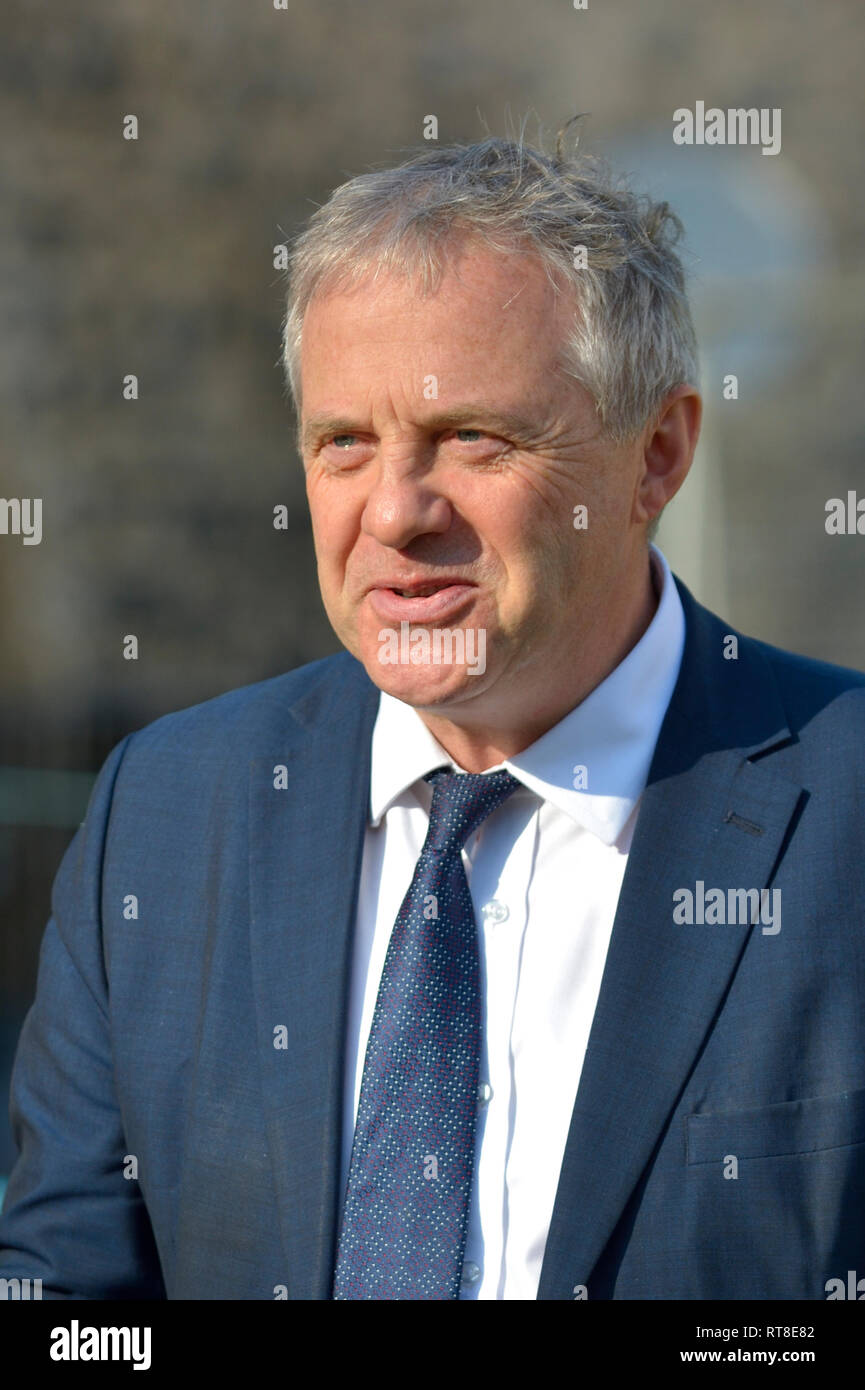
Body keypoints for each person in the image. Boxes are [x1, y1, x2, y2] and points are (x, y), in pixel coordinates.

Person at [2, 134, 864, 1301]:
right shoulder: (163, 813)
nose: (396, 513)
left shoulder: (838, 808)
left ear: (654, 457)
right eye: (343, 443)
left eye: (473, 437)